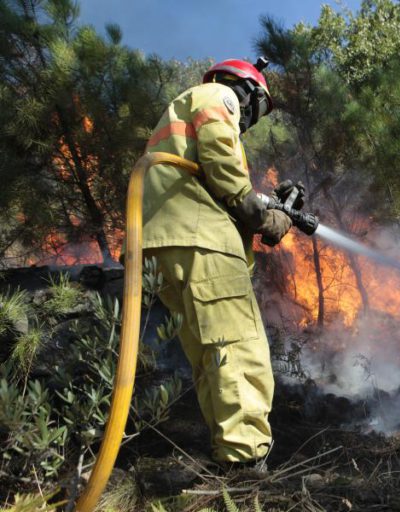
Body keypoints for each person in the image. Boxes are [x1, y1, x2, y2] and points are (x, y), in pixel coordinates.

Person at [141, 58, 292, 468]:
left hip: (163, 245)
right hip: (201, 241)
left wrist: (267, 206)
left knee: (212, 356)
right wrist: (265, 218)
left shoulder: (178, 114)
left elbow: (207, 178)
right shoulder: (218, 96)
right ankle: (245, 463)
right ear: (247, 91)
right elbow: (224, 171)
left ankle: (229, 452)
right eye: (255, 112)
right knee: (240, 349)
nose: (249, 122)